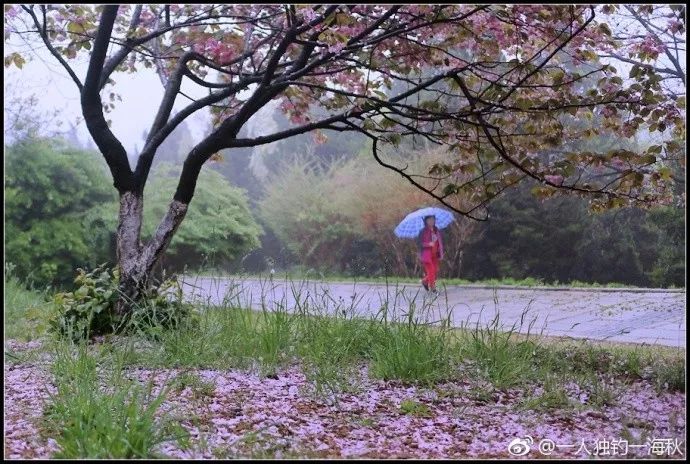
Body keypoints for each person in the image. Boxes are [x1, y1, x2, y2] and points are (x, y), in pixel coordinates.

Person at [416, 215, 444, 292]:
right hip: (426, 255)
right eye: (429, 220)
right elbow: (419, 243)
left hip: (435, 254)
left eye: (433, 219)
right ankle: (432, 287)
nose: (431, 221)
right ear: (426, 221)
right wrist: (428, 244)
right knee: (431, 271)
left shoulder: (436, 230)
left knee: (434, 271)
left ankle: (424, 281)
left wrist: (440, 252)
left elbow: (440, 242)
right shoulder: (423, 231)